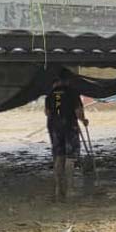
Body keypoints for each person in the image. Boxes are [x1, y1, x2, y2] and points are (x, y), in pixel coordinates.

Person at [45, 70, 89, 201]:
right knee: (70, 157)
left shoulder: (50, 95)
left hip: (54, 126)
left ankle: (59, 189)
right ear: (68, 81)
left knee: (59, 156)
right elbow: (78, 111)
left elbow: (47, 112)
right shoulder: (72, 93)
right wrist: (83, 120)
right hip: (69, 125)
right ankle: (70, 189)